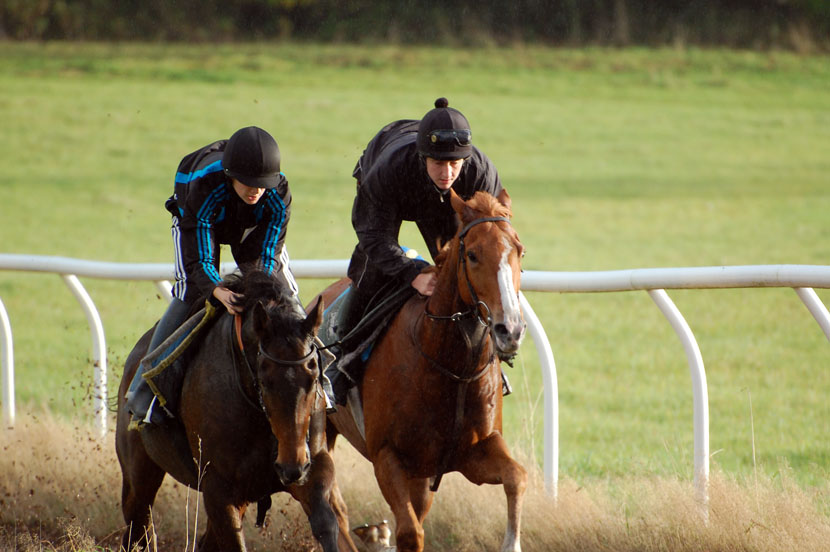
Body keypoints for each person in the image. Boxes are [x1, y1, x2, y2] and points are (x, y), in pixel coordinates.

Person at [332, 97, 509, 400]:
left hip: (445, 204)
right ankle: (341, 359)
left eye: (455, 163)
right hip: (387, 175)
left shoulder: (479, 173)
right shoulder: (390, 169)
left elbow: (492, 244)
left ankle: (489, 354)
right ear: (422, 156)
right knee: (372, 270)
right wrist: (411, 272)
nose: (447, 172)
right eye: (439, 163)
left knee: (465, 270)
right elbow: (373, 235)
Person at [126, 126, 300, 425]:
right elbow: (201, 259)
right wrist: (215, 289)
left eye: (262, 184)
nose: (255, 190)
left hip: (250, 229)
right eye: (247, 183)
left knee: (282, 294)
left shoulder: (278, 193)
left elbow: (269, 253)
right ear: (231, 176)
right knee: (191, 292)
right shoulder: (206, 185)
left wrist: (262, 290)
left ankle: (322, 378)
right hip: (198, 220)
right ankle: (143, 392)